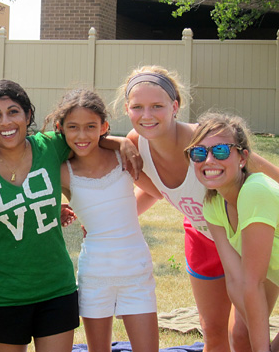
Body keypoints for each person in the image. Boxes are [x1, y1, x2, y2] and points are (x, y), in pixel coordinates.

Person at [117, 65, 279, 352]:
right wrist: (114, 141)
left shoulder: (209, 141)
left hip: (248, 235)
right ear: (126, 109)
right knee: (214, 333)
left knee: (242, 334)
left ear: (175, 106)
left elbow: (269, 177)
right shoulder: (134, 145)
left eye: (157, 106)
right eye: (137, 107)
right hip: (205, 235)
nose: (147, 115)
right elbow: (161, 193)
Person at [46, 88, 158, 352]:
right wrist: (57, 210)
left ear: (104, 127)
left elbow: (156, 192)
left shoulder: (124, 158)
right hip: (95, 273)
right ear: (60, 129)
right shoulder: (62, 171)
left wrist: (120, 142)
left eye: (90, 126)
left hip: (136, 269)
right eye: (73, 127)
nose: (82, 135)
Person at [0, 79, 79, 352]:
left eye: (13, 112)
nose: (5, 122)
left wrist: (121, 144)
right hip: (5, 293)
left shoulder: (50, 145)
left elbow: (90, 139)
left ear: (28, 115)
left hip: (56, 288)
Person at [188, 112, 279, 352]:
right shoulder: (213, 205)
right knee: (240, 335)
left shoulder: (256, 191)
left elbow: (253, 281)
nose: (209, 160)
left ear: (242, 157)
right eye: (199, 153)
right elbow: (236, 279)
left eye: (220, 151)